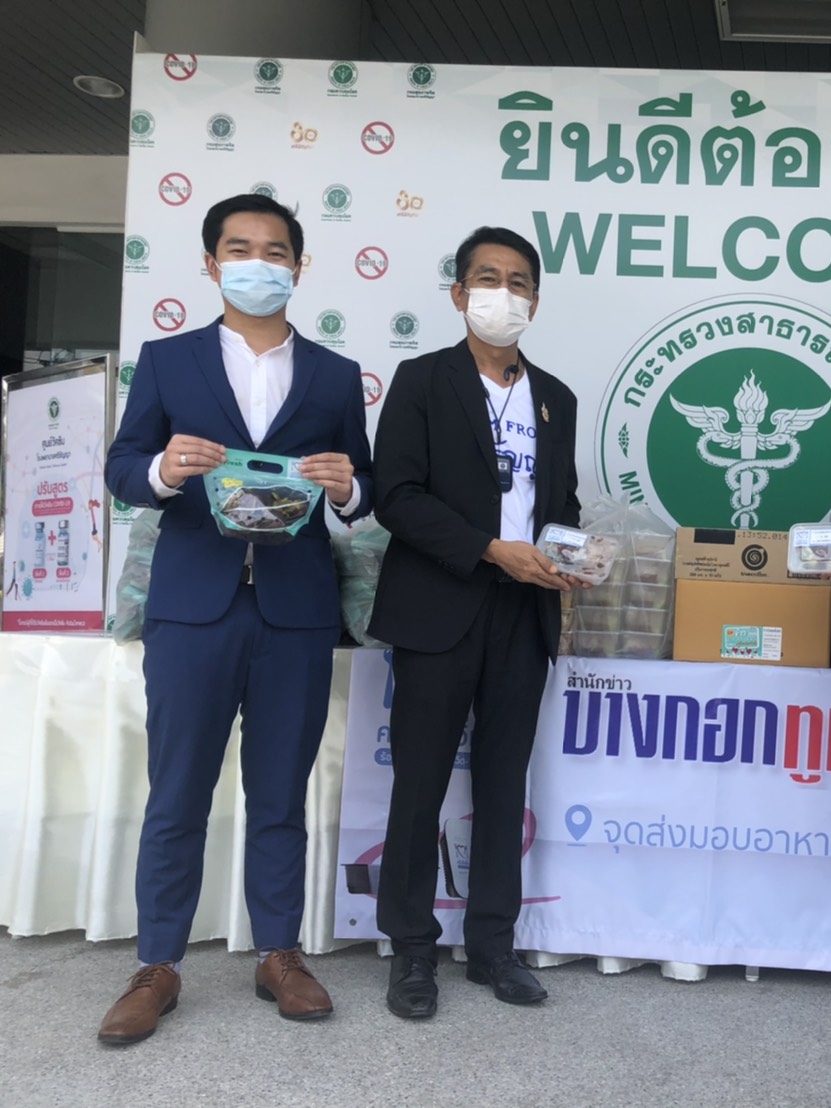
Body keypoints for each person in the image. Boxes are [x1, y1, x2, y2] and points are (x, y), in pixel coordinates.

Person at [101, 193, 373, 1043]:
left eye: (276, 250)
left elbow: (364, 487)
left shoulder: (335, 374)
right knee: (177, 792)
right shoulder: (168, 360)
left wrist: (347, 488)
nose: (259, 263)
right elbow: (121, 466)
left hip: (295, 611)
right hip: (193, 608)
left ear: (299, 266)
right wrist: (162, 469)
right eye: (241, 248)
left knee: (281, 793)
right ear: (212, 263)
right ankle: (157, 965)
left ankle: (280, 954)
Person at [368, 226, 582, 1020]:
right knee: (420, 785)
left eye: (519, 281)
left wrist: (569, 555)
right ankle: (411, 948)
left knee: (503, 784)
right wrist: (492, 550)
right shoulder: (422, 380)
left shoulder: (556, 397)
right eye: (488, 278)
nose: (504, 293)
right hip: (440, 604)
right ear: (459, 294)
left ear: (536, 301)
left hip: (523, 612)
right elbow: (397, 495)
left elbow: (560, 504)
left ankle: (494, 944)